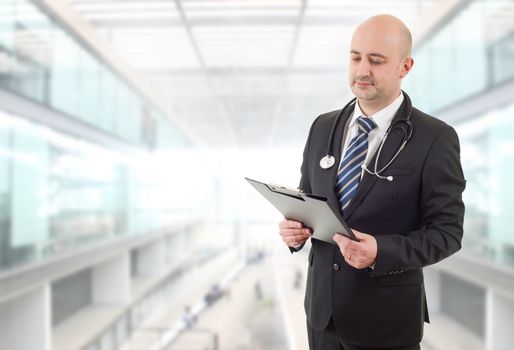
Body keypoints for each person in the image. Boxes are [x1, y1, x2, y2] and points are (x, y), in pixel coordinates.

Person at [278, 14, 465, 350]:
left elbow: (448, 234)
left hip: (386, 324)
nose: (362, 70)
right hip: (321, 315)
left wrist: (381, 251)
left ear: (405, 67)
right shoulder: (323, 126)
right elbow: (308, 199)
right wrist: (294, 232)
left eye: (376, 61)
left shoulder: (435, 138)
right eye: (355, 57)